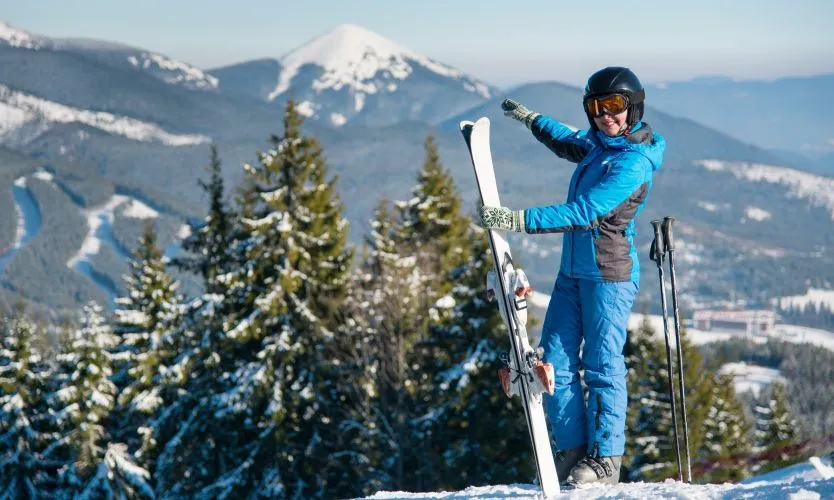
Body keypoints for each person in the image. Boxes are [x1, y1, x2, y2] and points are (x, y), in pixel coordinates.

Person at [478, 67, 665, 485]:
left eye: (614, 105)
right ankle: (574, 450)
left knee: (601, 365)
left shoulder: (633, 163)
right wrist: (530, 119)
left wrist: (515, 219)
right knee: (554, 363)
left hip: (608, 276)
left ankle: (604, 458)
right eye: (596, 107)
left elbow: (585, 213)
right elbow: (566, 139)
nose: (605, 115)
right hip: (571, 274)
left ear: (633, 107)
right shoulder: (600, 146)